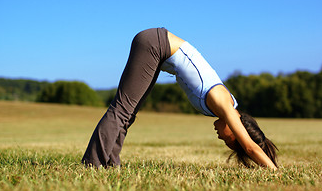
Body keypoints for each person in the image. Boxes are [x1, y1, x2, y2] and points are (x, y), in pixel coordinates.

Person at [82, 27, 278, 170]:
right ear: (235, 131)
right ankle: (92, 164)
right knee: (122, 109)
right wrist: (275, 173)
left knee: (128, 112)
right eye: (228, 141)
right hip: (155, 44)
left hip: (158, 49)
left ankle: (110, 163)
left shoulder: (225, 105)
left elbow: (250, 146)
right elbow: (250, 147)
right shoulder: (224, 103)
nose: (221, 138)